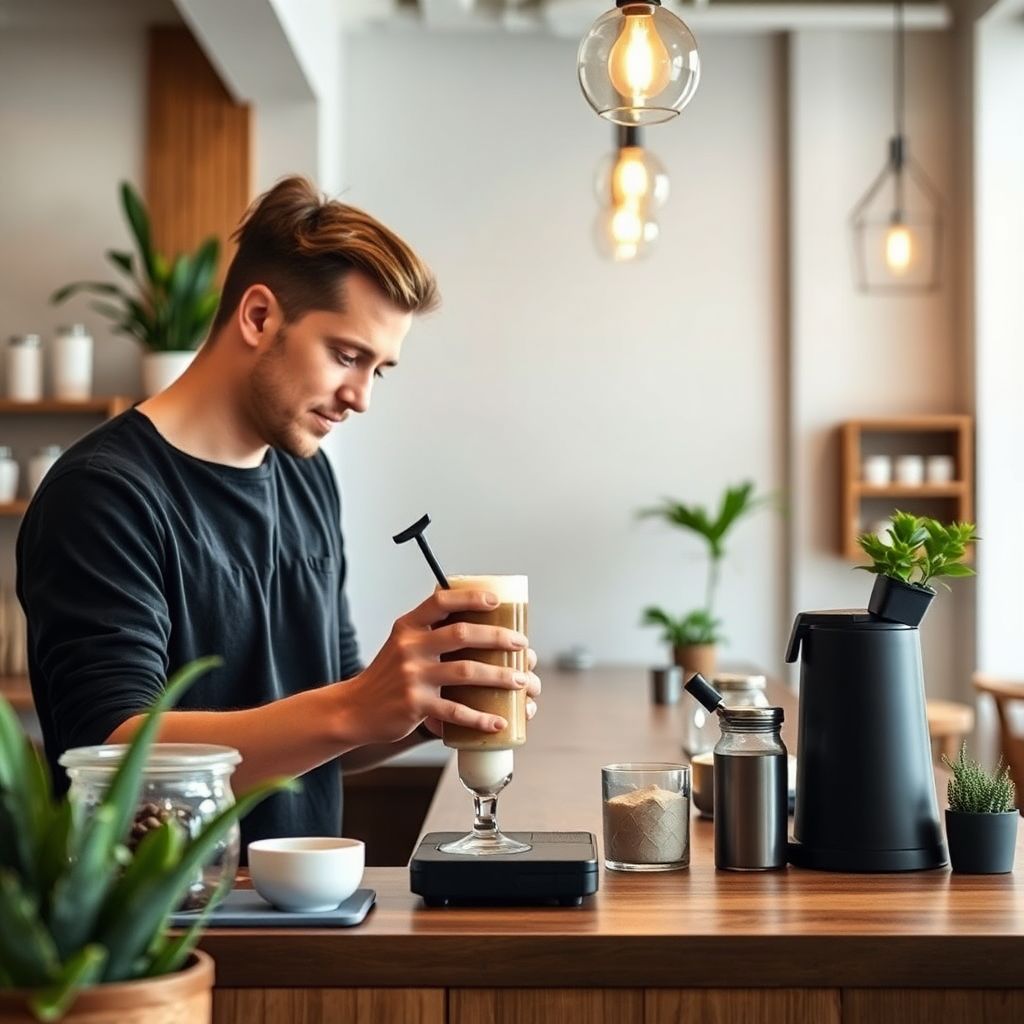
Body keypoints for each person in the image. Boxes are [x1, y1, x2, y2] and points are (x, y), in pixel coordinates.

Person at [16, 176, 541, 849]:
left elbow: (326, 733)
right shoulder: (103, 495)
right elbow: (115, 758)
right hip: (169, 937)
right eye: (347, 356)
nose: (361, 398)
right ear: (259, 316)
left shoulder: (307, 476)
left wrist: (421, 709)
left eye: (378, 370)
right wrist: (357, 704)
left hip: (307, 920)